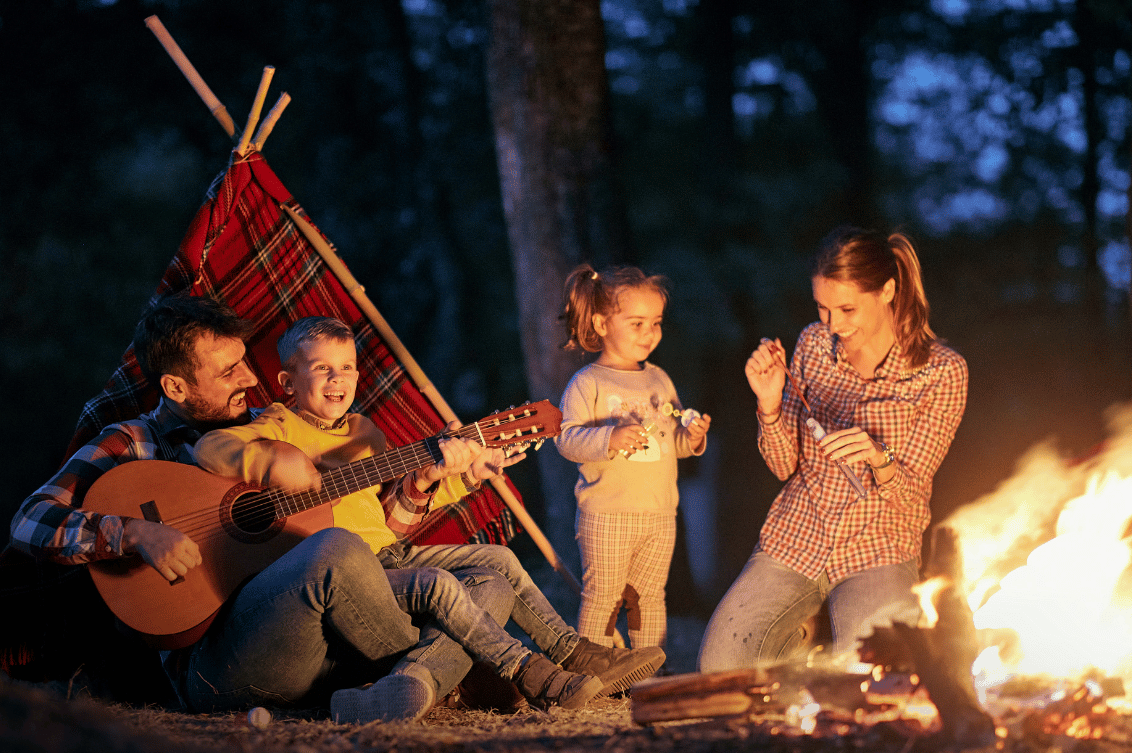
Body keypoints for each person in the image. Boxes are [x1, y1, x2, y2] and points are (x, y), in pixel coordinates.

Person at [5, 295, 608, 723]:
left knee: (488, 581)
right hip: (224, 660)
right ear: (176, 388)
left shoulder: (271, 426)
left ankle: (403, 687)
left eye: (245, 359)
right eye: (229, 369)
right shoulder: (131, 445)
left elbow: (372, 531)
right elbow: (29, 521)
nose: (250, 376)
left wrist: (425, 480)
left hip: (328, 642)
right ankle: (467, 673)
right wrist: (134, 532)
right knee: (338, 548)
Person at [192, 315, 667, 717]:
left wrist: (453, 477)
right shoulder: (276, 424)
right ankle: (528, 673)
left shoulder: (366, 434)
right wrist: (269, 460)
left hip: (388, 553)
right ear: (288, 381)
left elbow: (390, 524)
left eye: (347, 368)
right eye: (321, 369)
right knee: (449, 587)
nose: (338, 379)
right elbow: (209, 446)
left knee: (498, 561)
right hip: (345, 574)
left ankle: (573, 651)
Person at [698, 226, 968, 672]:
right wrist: (768, 404)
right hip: (799, 535)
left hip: (879, 544)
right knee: (721, 668)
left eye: (846, 308)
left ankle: (819, 648)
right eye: (822, 308)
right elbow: (784, 465)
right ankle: (803, 643)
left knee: (877, 674)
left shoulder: (941, 372)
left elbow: (911, 493)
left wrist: (878, 456)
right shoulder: (812, 345)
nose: (833, 325)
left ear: (887, 290)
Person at [555, 264, 711, 650]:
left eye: (655, 323)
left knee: (650, 596)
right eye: (637, 323)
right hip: (607, 512)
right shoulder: (588, 382)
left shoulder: (659, 378)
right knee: (603, 596)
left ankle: (648, 671)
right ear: (602, 323)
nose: (649, 333)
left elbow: (669, 441)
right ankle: (594, 667)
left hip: (659, 513)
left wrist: (691, 438)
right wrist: (609, 437)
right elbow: (567, 439)